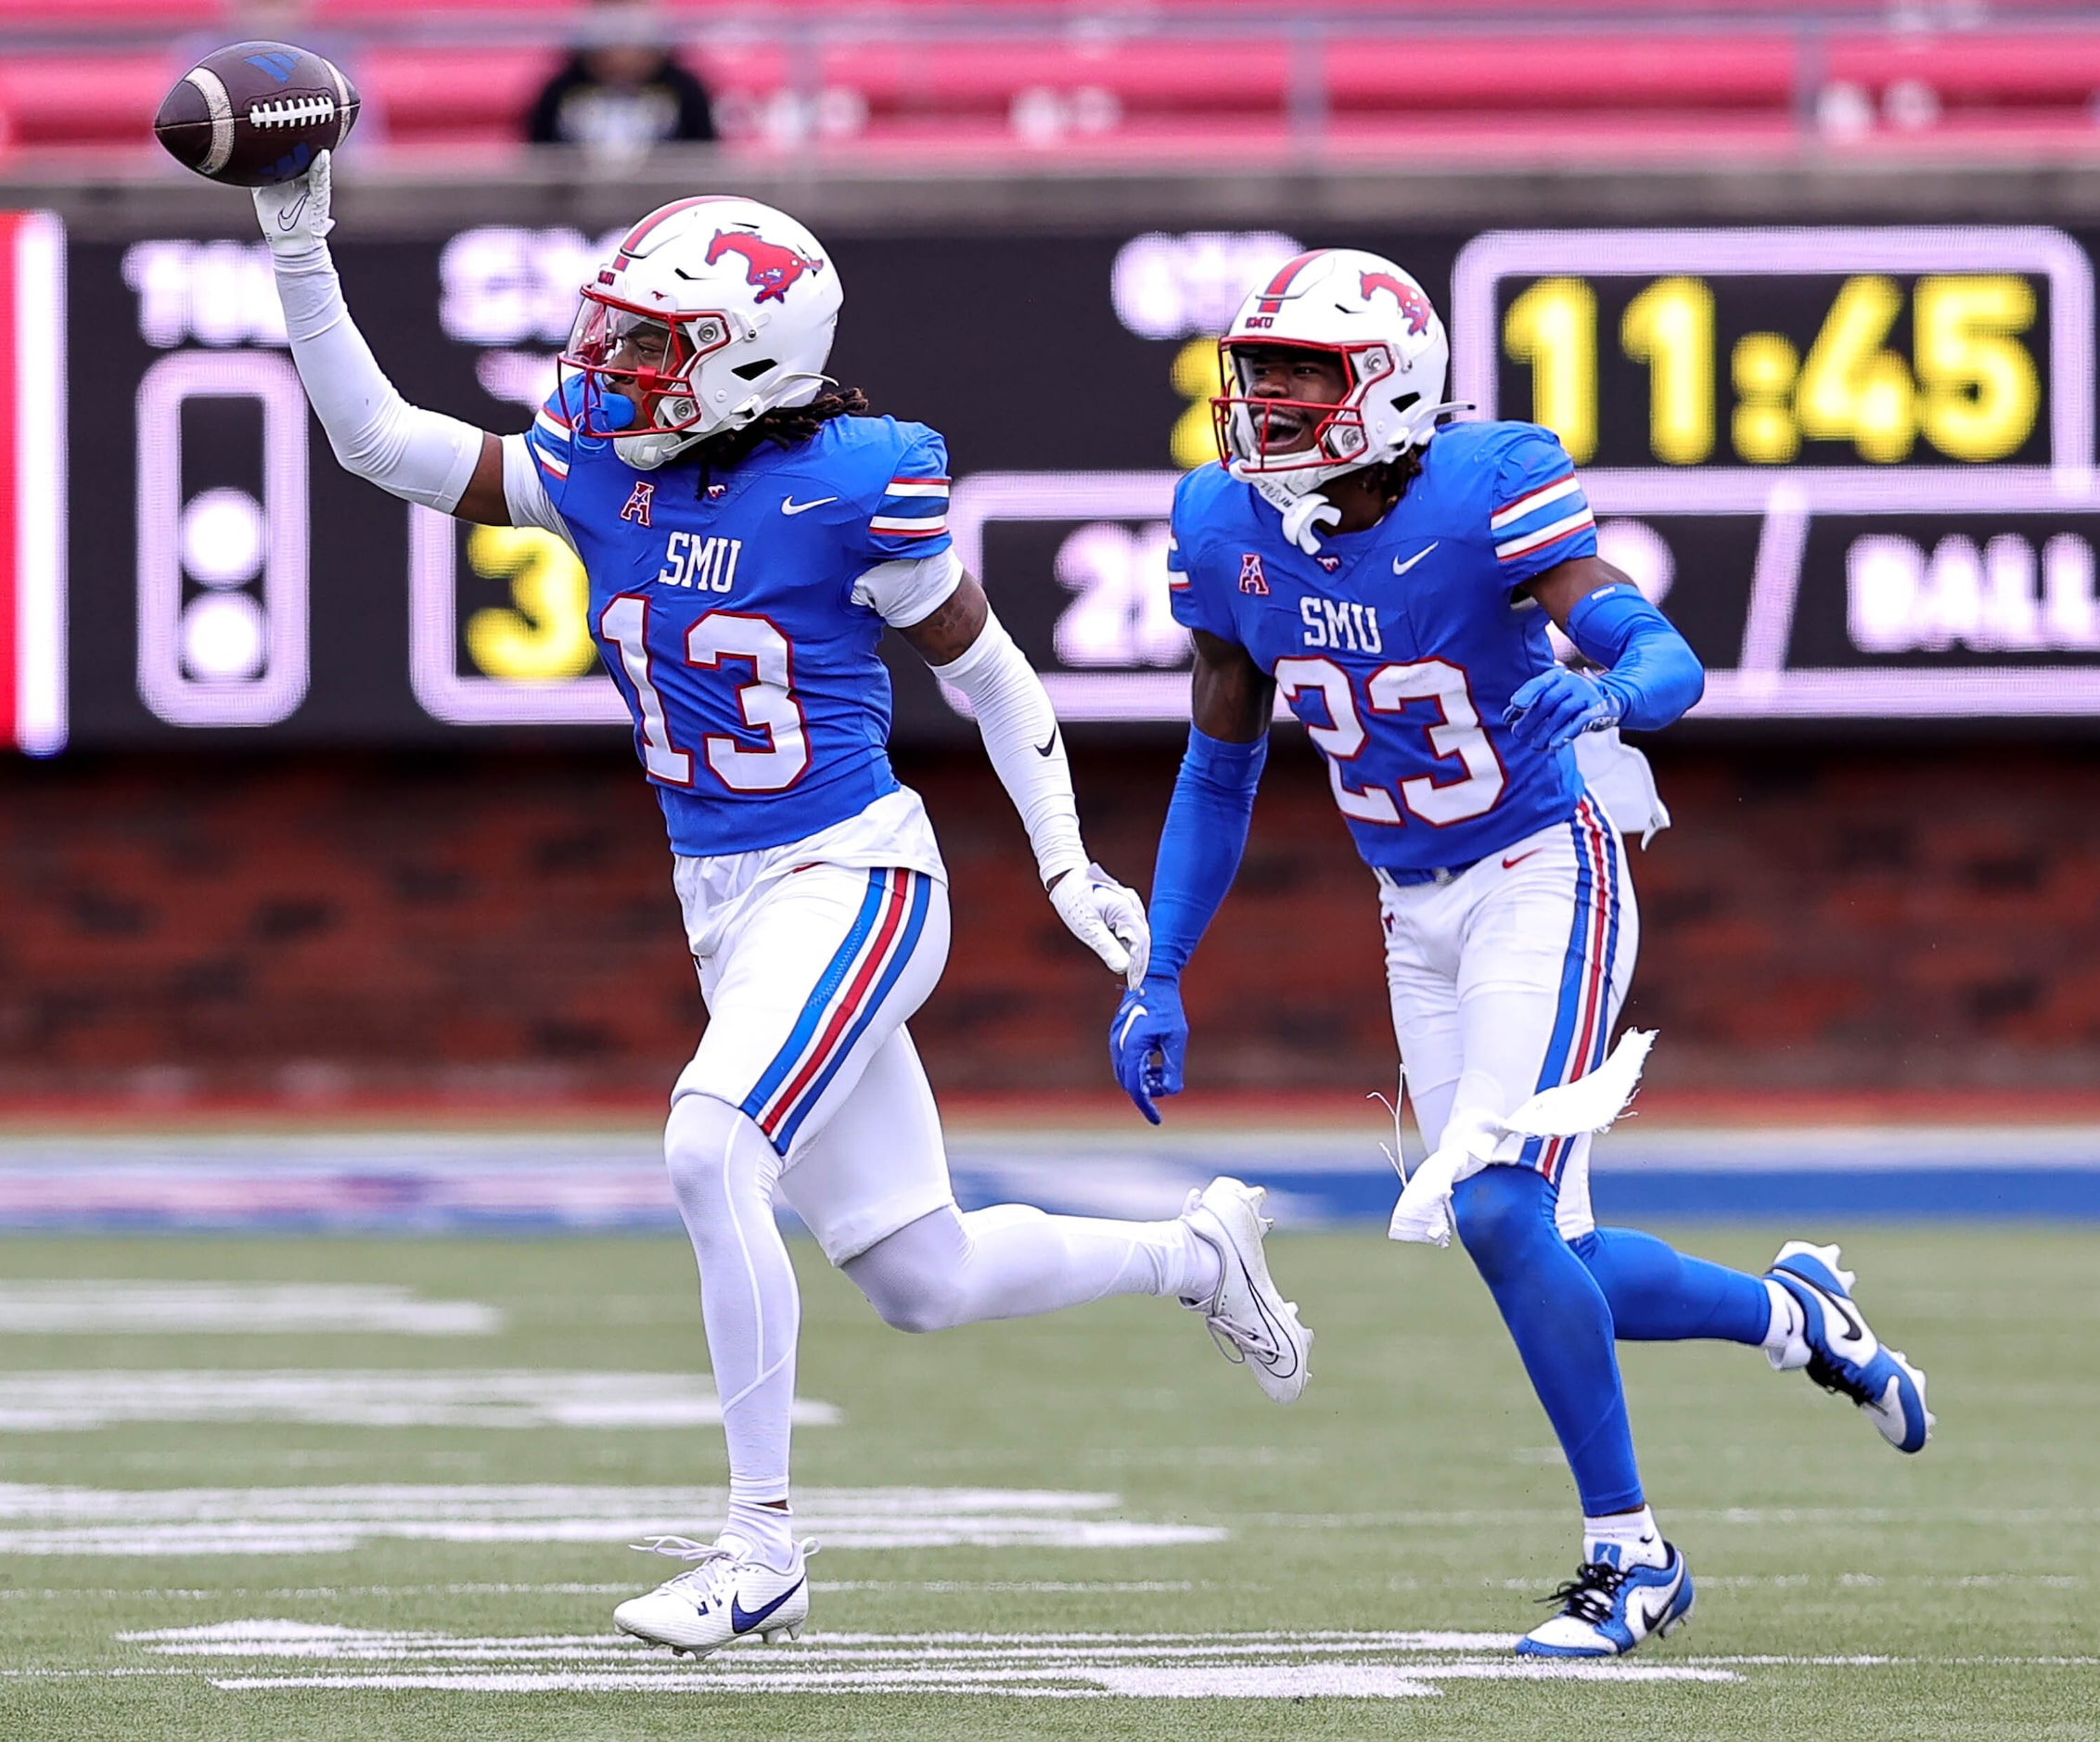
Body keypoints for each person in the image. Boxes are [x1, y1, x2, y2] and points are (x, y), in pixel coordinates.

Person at [248, 163, 1313, 1659]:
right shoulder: (598, 469)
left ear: (748, 360)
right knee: (922, 1277)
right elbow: (375, 441)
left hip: (855, 875)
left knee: (707, 1143)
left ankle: (760, 1548)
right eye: (610, 335)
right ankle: (1198, 1253)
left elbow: (991, 674)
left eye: (646, 342)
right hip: (729, 904)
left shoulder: (853, 483)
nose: (605, 366)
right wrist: (298, 238)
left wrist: (1068, 865)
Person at [1108, 247, 1932, 1659]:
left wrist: (1609, 693)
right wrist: (1162, 963)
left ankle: (1634, 1556)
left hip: (1546, 869)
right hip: (1411, 904)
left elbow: (1664, 654)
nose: (1262, 399)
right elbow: (1220, 767)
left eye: (1299, 371)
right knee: (1558, 1247)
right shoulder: (1224, 521)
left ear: (1392, 384)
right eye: (1254, 369)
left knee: (1494, 1205)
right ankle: (1799, 1318)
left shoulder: (1483, 484)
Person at [526, 0, 715, 159]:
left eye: (633, 35)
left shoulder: (686, 92)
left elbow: (704, 162)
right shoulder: (559, 92)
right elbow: (539, 163)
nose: (622, 54)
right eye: (611, 37)